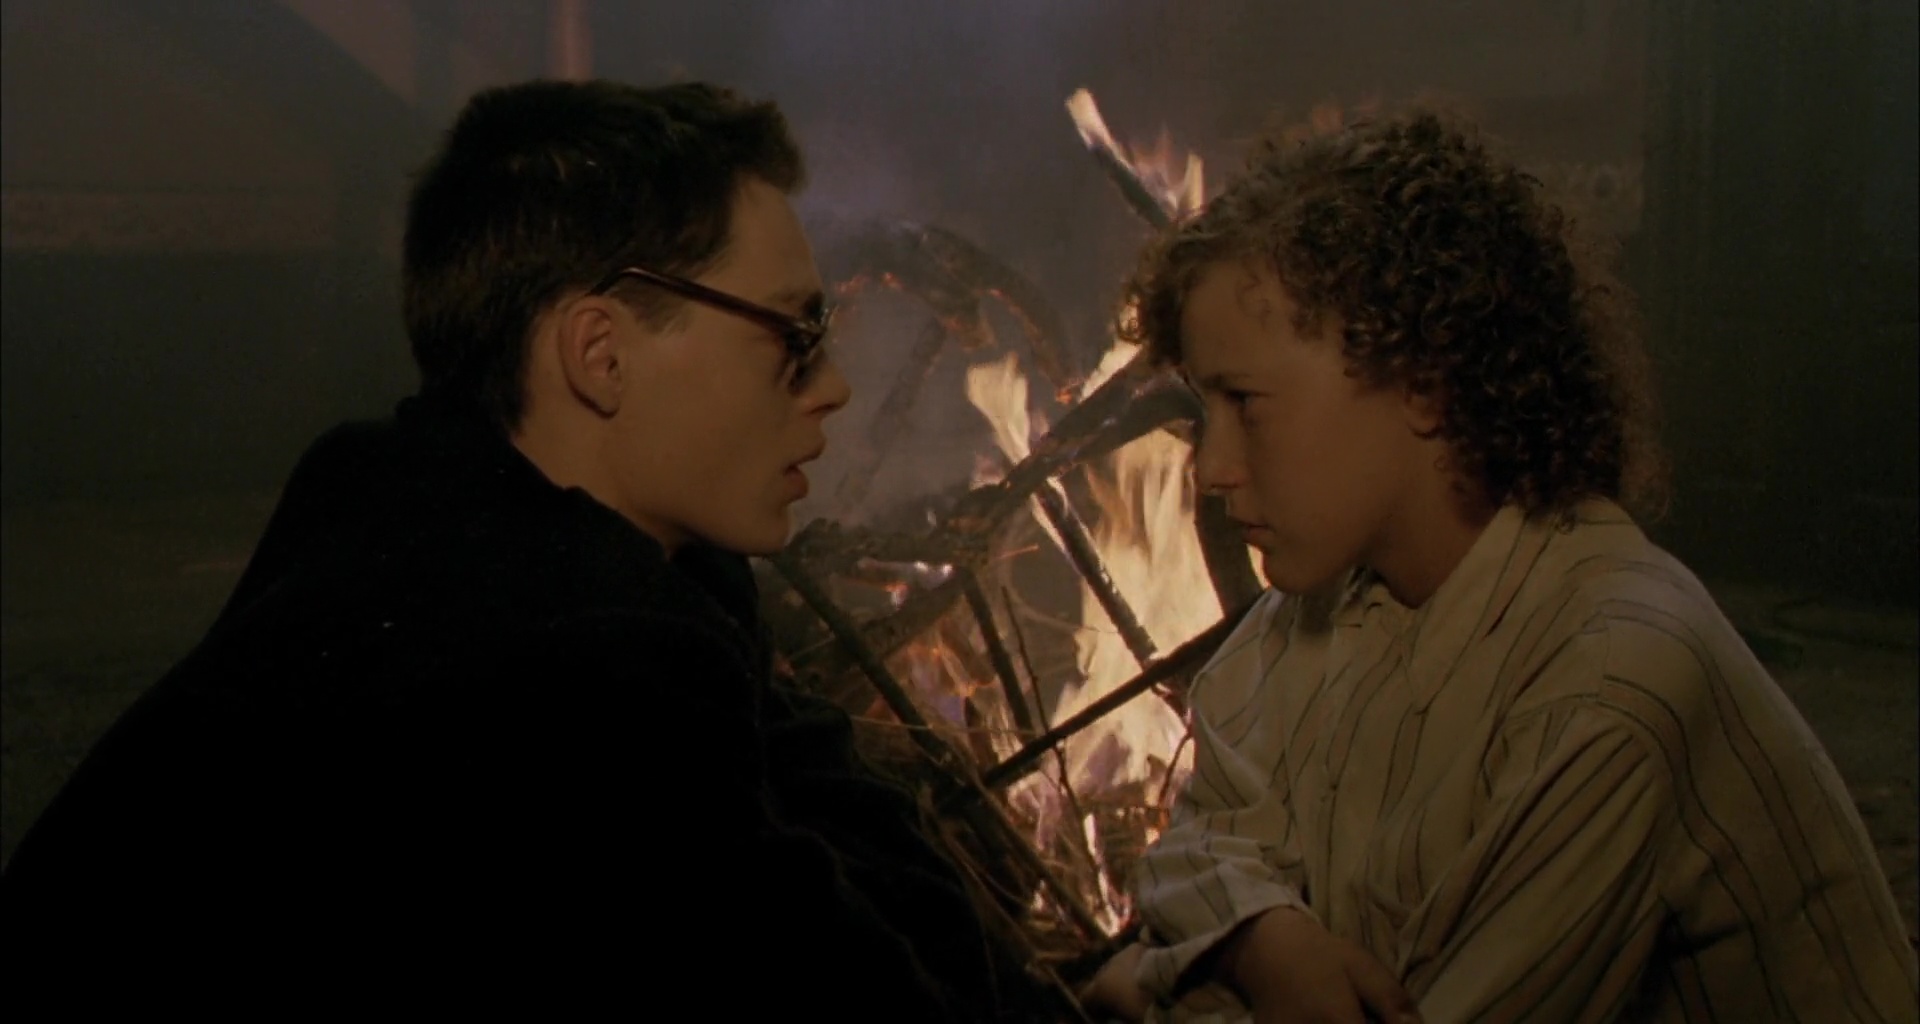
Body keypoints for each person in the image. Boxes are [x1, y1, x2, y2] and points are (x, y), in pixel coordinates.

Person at [2, 79, 1029, 1017]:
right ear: (601, 354)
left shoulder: (422, 500)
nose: (832, 384)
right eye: (793, 336)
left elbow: (835, 822)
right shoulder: (565, 661)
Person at [1082, 108, 1918, 1022]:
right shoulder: (1315, 622)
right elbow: (1200, 844)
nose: (1210, 468)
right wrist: (1261, 939)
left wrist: (1150, 989)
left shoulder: (1612, 684)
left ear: (1425, 383)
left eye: (1246, 402)